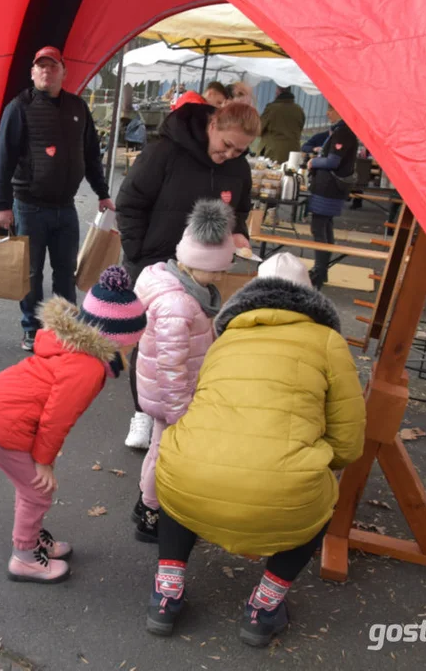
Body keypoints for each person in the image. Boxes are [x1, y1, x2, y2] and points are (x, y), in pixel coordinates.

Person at [146, 253, 365, 646]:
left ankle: (166, 593)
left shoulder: (227, 335)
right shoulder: (328, 341)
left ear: (251, 294)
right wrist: (309, 457)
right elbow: (348, 443)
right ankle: (263, 607)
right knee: (316, 497)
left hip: (192, 474)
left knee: (182, 479)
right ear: (309, 296)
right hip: (281, 489)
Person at [0, 266, 146, 583]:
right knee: (37, 490)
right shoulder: (88, 367)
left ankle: (32, 540)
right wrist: (43, 461)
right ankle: (23, 557)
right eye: (133, 342)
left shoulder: (77, 349)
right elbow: (57, 417)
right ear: (117, 339)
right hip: (3, 423)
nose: (134, 348)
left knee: (32, 488)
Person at [115, 100, 260, 450]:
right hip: (155, 260)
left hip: (204, 269)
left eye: (240, 150)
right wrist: (137, 252)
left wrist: (239, 232)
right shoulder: (164, 152)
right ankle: (144, 412)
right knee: (153, 339)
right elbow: (130, 202)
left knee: (193, 338)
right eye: (226, 145)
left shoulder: (238, 166)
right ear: (213, 124)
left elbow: (239, 208)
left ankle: (184, 407)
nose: (230, 155)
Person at [0, 46, 115, 352]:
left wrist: (103, 193)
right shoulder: (19, 107)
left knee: (65, 272)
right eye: (41, 67)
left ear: (63, 71)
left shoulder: (77, 107)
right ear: (33, 73)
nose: (47, 71)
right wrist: (1, 205)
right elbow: (2, 159)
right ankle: (32, 330)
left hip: (65, 207)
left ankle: (66, 328)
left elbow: (91, 156)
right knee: (31, 273)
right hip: (28, 205)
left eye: (53, 66)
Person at [130, 200, 236, 543]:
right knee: (164, 451)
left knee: (159, 449)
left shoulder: (183, 288)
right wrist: (180, 412)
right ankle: (150, 512)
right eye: (216, 270)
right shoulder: (179, 304)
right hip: (171, 397)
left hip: (172, 392)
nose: (220, 277)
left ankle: (147, 505)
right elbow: (171, 365)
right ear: (193, 263)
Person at [306, 105, 359, 289]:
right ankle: (322, 271)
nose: (327, 112)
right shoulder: (341, 131)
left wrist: (314, 161)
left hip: (328, 189)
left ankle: (319, 272)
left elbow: (333, 161)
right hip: (330, 188)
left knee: (319, 228)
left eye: (331, 109)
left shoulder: (343, 133)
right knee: (325, 226)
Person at [259, 86, 306, 163]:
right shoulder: (299, 109)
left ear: (278, 91)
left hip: (273, 153)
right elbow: (300, 128)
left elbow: (259, 129)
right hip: (293, 152)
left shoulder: (272, 108)